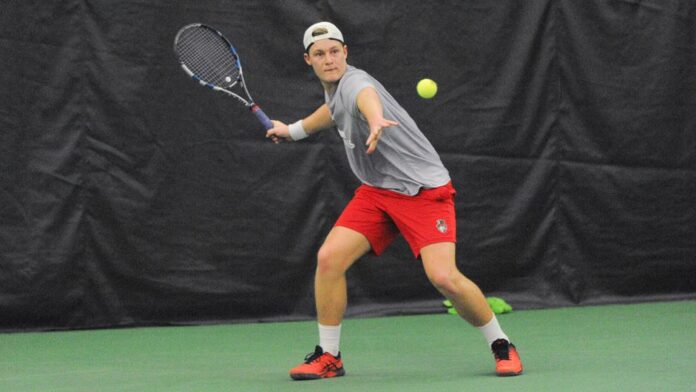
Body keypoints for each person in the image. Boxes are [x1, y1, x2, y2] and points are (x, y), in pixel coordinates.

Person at [266, 21, 523, 381]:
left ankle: (501, 344)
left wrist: (375, 120)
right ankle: (329, 356)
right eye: (320, 54)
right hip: (378, 191)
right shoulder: (335, 90)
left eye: (335, 51)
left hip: (422, 190)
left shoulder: (354, 82)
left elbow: (364, 97)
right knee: (329, 258)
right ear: (308, 60)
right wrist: (292, 131)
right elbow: (332, 112)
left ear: (346, 53)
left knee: (445, 278)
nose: (329, 59)